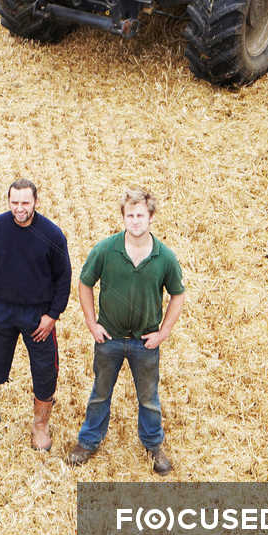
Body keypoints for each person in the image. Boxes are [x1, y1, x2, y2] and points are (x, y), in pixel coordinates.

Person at [66, 187, 187, 474]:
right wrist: (91, 322)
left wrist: (163, 332)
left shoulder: (164, 257)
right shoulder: (106, 250)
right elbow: (84, 283)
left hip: (144, 343)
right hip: (109, 339)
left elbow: (178, 295)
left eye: (140, 215)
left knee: (148, 397)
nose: (135, 221)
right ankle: (88, 441)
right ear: (123, 217)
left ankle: (153, 445)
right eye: (130, 215)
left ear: (151, 217)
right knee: (100, 393)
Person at [0, 178, 70, 449]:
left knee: (44, 369)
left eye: (25, 202)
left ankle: (40, 425)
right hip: (2, 309)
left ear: (35, 202)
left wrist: (52, 315)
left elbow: (64, 278)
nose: (19, 208)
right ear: (9, 202)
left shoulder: (51, 234)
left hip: (37, 315)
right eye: (14, 202)